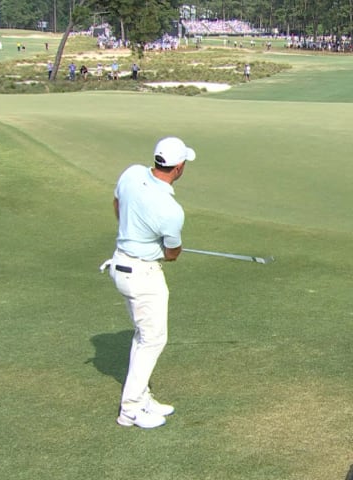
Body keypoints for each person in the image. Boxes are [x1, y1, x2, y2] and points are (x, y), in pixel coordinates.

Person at [102, 136, 196, 429]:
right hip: (143, 275)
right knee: (153, 340)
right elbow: (171, 255)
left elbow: (117, 203)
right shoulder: (171, 211)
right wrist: (171, 248)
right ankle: (130, 410)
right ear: (179, 167)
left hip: (121, 264)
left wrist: (134, 231)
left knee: (144, 336)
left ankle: (142, 397)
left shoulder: (131, 173)